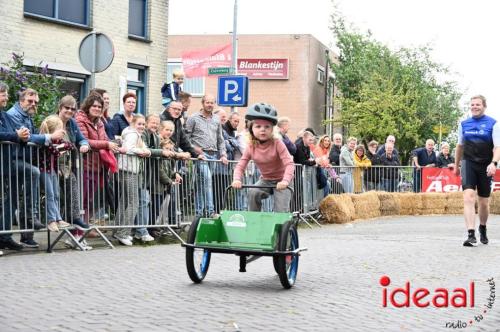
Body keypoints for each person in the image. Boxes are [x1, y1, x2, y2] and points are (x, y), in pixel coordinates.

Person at [7, 88, 65, 248]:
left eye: (35, 102)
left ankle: (26, 234)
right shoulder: (14, 114)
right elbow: (26, 137)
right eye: (30, 101)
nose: (33, 104)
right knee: (33, 173)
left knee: (14, 197)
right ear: (21, 101)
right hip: (13, 159)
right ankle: (28, 220)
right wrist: (49, 137)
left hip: (23, 159)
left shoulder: (27, 115)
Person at [453, 95, 500, 247]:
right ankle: (471, 234)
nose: (474, 107)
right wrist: (456, 165)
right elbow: (459, 146)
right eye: (472, 104)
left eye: (478, 104)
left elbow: (498, 147)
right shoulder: (463, 124)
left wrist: (494, 163)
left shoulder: (493, 123)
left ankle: (483, 227)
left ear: (484, 106)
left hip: (486, 164)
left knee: (484, 202)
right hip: (468, 163)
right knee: (468, 197)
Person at [232, 102, 294, 212]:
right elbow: (241, 165)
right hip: (266, 180)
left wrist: (285, 181)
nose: (262, 129)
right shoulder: (251, 146)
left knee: (281, 211)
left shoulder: (277, 143)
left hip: (282, 180)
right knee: (253, 193)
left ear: (272, 129)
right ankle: (254, 222)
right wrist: (237, 179)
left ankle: (285, 227)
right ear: (252, 129)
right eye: (258, 126)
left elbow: (289, 163)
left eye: (267, 126)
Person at [56, 95, 93, 250]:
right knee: (57, 197)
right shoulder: (53, 121)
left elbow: (81, 138)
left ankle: (74, 221)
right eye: (67, 108)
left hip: (67, 167)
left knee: (72, 187)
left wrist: (84, 144)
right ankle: (67, 222)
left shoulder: (71, 123)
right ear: (60, 108)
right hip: (51, 165)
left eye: (72, 109)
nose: (70, 111)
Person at [185, 94, 228, 217]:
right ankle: (210, 211)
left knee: (202, 184)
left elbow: (220, 139)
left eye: (212, 103)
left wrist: (223, 154)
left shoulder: (216, 119)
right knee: (208, 180)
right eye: (207, 102)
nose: (210, 105)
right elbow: (186, 139)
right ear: (203, 103)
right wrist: (194, 149)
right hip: (201, 155)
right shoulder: (193, 118)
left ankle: (198, 213)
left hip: (214, 155)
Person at [115, 114, 152, 245]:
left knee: (124, 201)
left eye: (143, 124)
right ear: (133, 123)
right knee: (134, 202)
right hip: (129, 170)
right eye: (139, 124)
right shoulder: (133, 134)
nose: (142, 126)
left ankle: (117, 230)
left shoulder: (133, 134)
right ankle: (123, 233)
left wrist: (145, 150)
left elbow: (140, 148)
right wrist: (142, 150)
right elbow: (128, 149)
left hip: (126, 169)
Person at [0, 82, 28, 252]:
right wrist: (15, 135)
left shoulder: (5, 115)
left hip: (6, 164)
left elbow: (16, 133)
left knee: (11, 199)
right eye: (3, 93)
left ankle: (5, 236)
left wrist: (23, 137)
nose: (7, 97)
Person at [37, 115, 73, 232]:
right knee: (50, 194)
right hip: (44, 170)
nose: (63, 131)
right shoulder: (45, 140)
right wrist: (60, 148)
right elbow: (54, 151)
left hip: (52, 170)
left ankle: (58, 218)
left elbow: (69, 145)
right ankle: (51, 220)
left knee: (56, 194)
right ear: (53, 130)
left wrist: (61, 146)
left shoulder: (56, 141)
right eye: (60, 128)